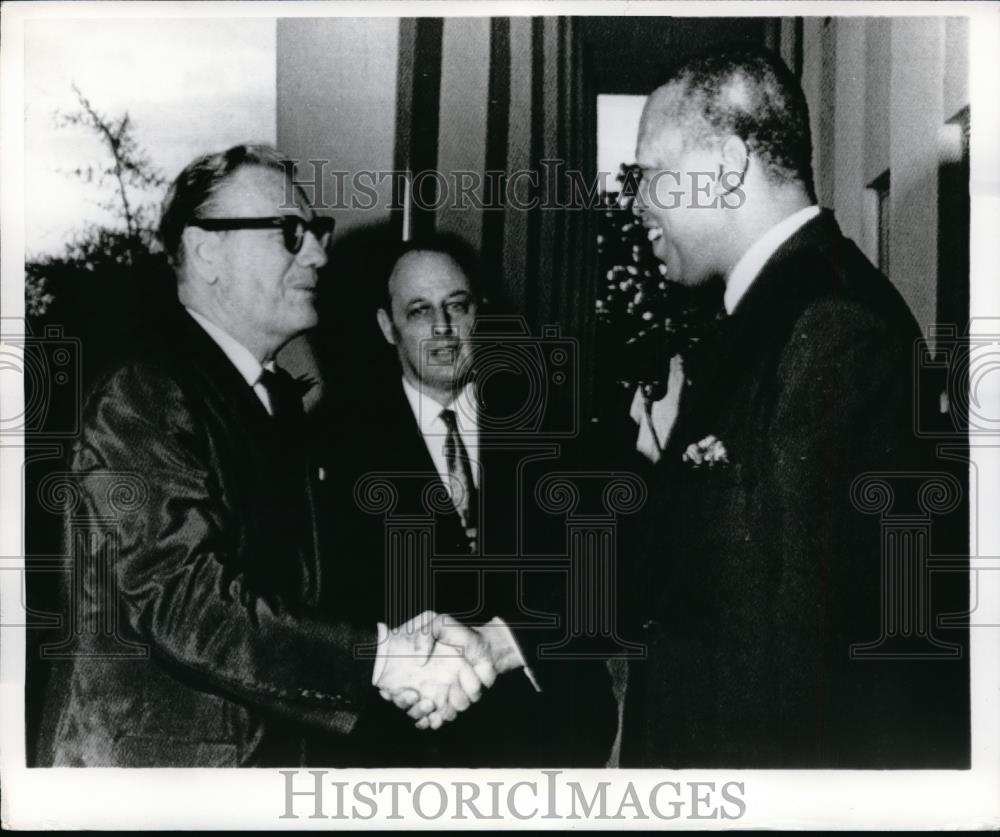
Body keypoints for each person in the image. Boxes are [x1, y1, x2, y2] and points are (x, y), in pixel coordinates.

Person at [36, 144, 495, 768]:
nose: (318, 253)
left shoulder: (269, 400)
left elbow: (287, 596)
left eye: (315, 231)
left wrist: (401, 640)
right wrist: (382, 658)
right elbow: (182, 600)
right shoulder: (142, 394)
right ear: (206, 252)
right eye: (289, 232)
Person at [624, 45, 968, 767]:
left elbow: (805, 673)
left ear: (723, 165)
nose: (638, 204)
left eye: (650, 174)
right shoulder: (778, 308)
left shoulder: (833, 328)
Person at [314, 235, 617, 766]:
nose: (443, 330)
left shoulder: (551, 424)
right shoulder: (335, 447)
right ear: (387, 328)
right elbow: (335, 606)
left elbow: (604, 569)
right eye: (419, 311)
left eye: (457, 306)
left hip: (550, 741)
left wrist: (508, 641)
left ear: (480, 314)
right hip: (409, 751)